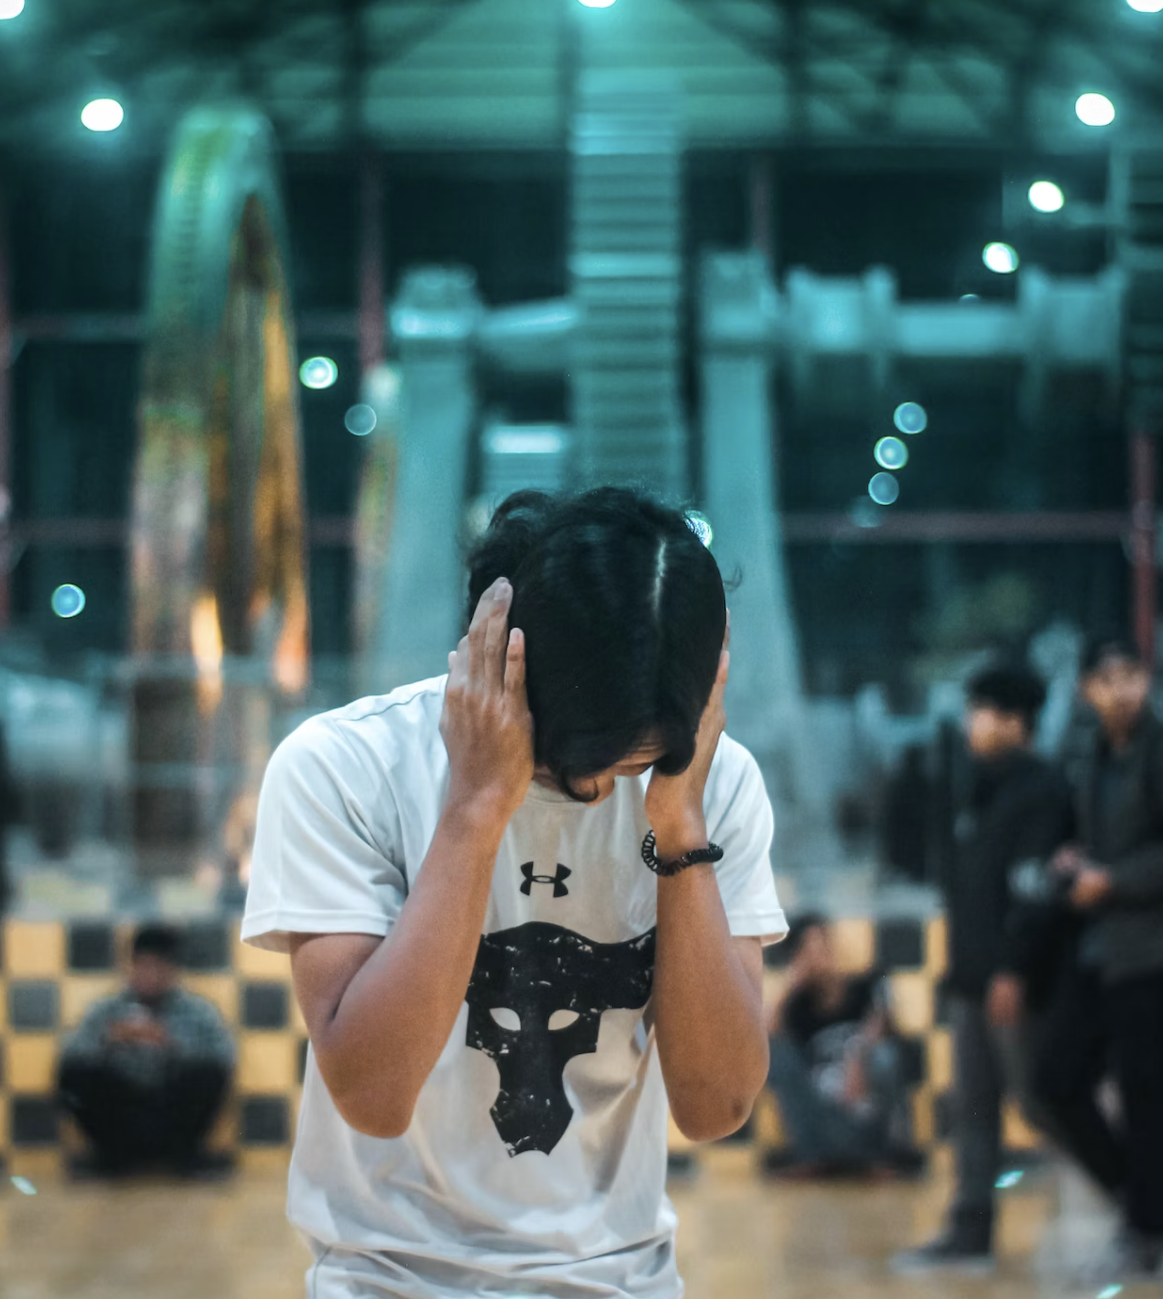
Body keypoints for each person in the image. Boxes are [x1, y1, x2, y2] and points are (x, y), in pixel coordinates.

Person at [243, 487, 785, 1299]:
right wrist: (475, 810)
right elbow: (374, 1096)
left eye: (635, 764)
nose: (600, 791)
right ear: (496, 654)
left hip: (620, 1279)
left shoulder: (714, 787)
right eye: (579, 764)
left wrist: (680, 831)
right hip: (387, 1278)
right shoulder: (342, 767)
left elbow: (716, 1106)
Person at [1028, 636, 1163, 1278]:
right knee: (1055, 1078)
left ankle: (1147, 1232)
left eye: (1131, 675)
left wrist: (1114, 880)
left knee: (1145, 1091)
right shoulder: (1095, 754)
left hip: (1160, 948)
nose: (1122, 689)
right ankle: (1135, 1197)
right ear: (1086, 690)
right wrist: (1077, 860)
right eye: (1107, 679)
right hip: (1104, 946)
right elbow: (1102, 836)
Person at [895, 660, 1073, 1271]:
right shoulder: (977, 788)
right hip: (972, 979)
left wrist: (1013, 970)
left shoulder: (1042, 791)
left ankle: (1119, 1209)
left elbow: (1034, 891)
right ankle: (970, 1231)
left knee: (1045, 1101)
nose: (973, 724)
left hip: (1015, 984)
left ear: (1017, 722)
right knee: (972, 1110)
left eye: (985, 712)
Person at [57, 922, 235, 1176]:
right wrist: (108, 1041)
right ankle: (110, 1157)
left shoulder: (198, 1011)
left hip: (171, 1113)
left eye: (158, 967)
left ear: (173, 969)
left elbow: (224, 1057)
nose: (150, 975)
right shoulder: (106, 1010)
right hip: (122, 1116)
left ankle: (184, 1156)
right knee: (75, 1076)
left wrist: (173, 1044)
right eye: (143, 966)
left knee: (208, 1075)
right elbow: (70, 1055)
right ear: (130, 966)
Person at [764, 914, 921, 1179]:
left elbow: (884, 1025)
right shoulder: (800, 1005)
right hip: (822, 1114)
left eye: (821, 945)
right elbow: (766, 1035)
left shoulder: (866, 986)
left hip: (864, 1107)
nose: (818, 956)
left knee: (886, 1055)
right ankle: (812, 1156)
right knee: (776, 1056)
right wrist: (792, 982)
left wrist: (857, 1058)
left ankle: (883, 1154)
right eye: (808, 950)